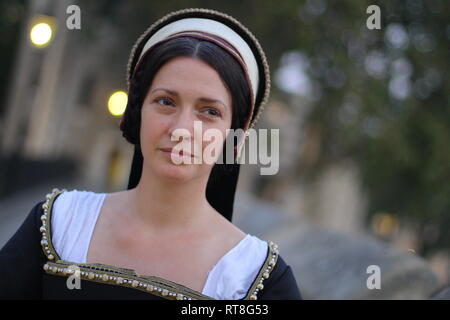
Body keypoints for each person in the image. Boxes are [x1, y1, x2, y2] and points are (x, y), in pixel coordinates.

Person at [0, 8, 302, 300]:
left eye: (209, 111)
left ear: (236, 134)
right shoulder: (60, 224)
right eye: (166, 101)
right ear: (136, 111)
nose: (182, 128)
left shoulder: (253, 279)